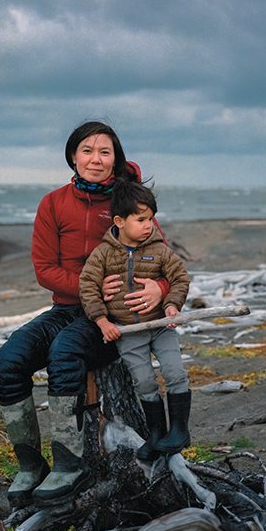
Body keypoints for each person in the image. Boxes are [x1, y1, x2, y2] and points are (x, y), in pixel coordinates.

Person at [0, 121, 168, 508]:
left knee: (65, 352)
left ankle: (68, 465)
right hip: (68, 307)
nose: (95, 159)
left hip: (115, 316)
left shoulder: (130, 204)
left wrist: (160, 288)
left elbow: (164, 260)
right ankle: (30, 465)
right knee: (9, 359)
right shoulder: (53, 203)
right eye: (87, 150)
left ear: (115, 160)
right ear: (73, 156)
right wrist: (88, 288)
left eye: (105, 152)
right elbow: (45, 270)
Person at [79, 180, 193, 463]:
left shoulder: (159, 249)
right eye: (141, 219)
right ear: (119, 221)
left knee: (175, 372)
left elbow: (180, 278)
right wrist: (103, 320)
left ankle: (179, 430)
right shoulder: (104, 254)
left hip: (160, 327)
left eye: (150, 218)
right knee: (143, 381)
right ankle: (156, 434)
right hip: (128, 331)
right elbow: (88, 286)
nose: (148, 225)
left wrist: (171, 305)